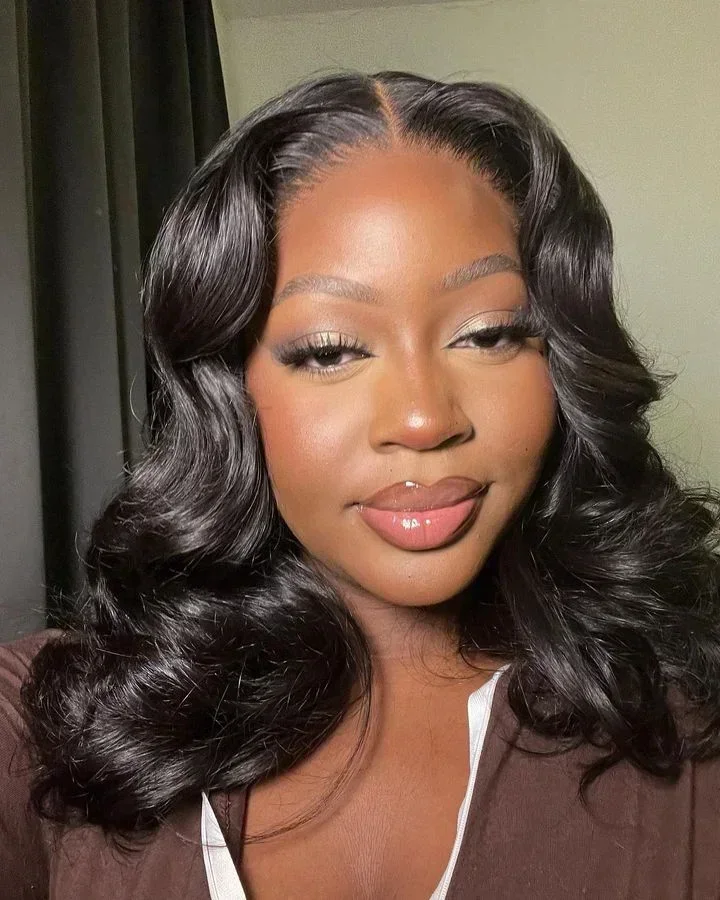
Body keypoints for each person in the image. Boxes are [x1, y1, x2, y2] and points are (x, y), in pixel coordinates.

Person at [2, 70, 719, 900]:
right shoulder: (53, 718)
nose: (422, 419)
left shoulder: (689, 730)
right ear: (231, 391)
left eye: (488, 335)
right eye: (331, 350)